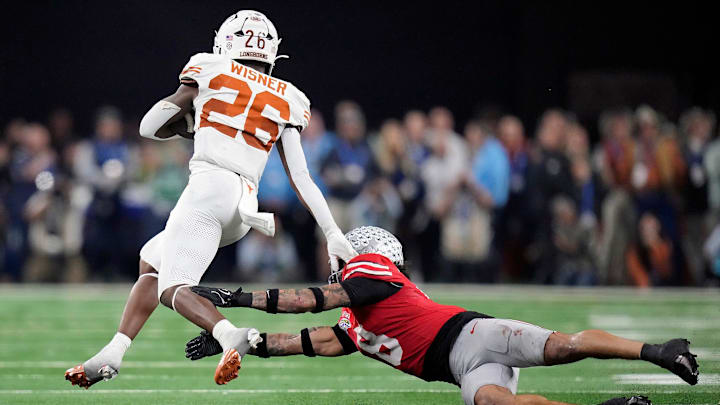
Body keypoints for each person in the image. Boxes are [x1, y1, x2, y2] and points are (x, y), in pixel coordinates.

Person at [65, 10, 357, 389]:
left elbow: (149, 127)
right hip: (243, 208)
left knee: (174, 288)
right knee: (152, 264)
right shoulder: (289, 96)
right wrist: (332, 231)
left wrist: (191, 122)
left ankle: (228, 334)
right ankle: (113, 353)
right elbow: (301, 177)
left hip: (208, 188)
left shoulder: (209, 67)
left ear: (226, 42)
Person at [187, 226, 698, 405]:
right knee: (494, 403)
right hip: (463, 369)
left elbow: (307, 301)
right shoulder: (355, 320)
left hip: (475, 333)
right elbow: (304, 340)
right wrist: (236, 339)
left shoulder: (372, 271)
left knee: (563, 347)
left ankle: (659, 351)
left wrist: (232, 298)